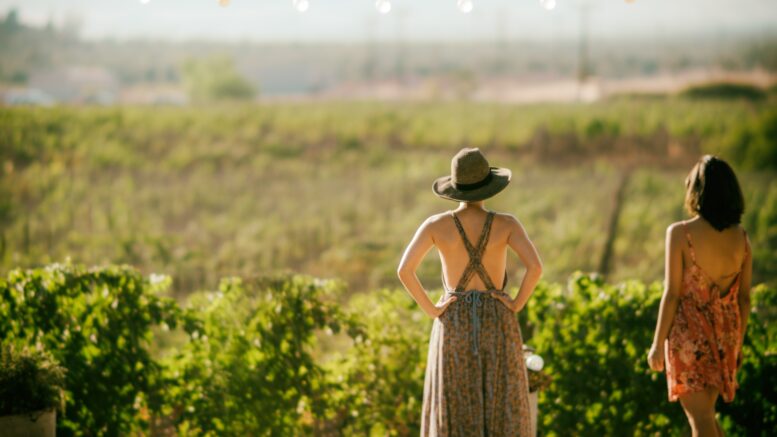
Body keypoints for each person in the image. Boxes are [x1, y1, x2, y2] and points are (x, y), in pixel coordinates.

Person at [397, 147, 543, 437]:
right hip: (497, 318)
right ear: (488, 186)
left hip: (453, 319)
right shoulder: (507, 224)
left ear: (455, 188)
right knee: (502, 400)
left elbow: (404, 270)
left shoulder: (436, 225)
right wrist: (515, 304)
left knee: (454, 398)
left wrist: (433, 310)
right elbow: (535, 268)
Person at [648, 155, 752, 437]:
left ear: (697, 191)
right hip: (727, 336)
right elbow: (744, 299)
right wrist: (737, 344)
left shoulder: (681, 233)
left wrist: (657, 344)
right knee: (707, 417)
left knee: (701, 420)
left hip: (689, 336)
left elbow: (671, 294)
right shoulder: (741, 238)